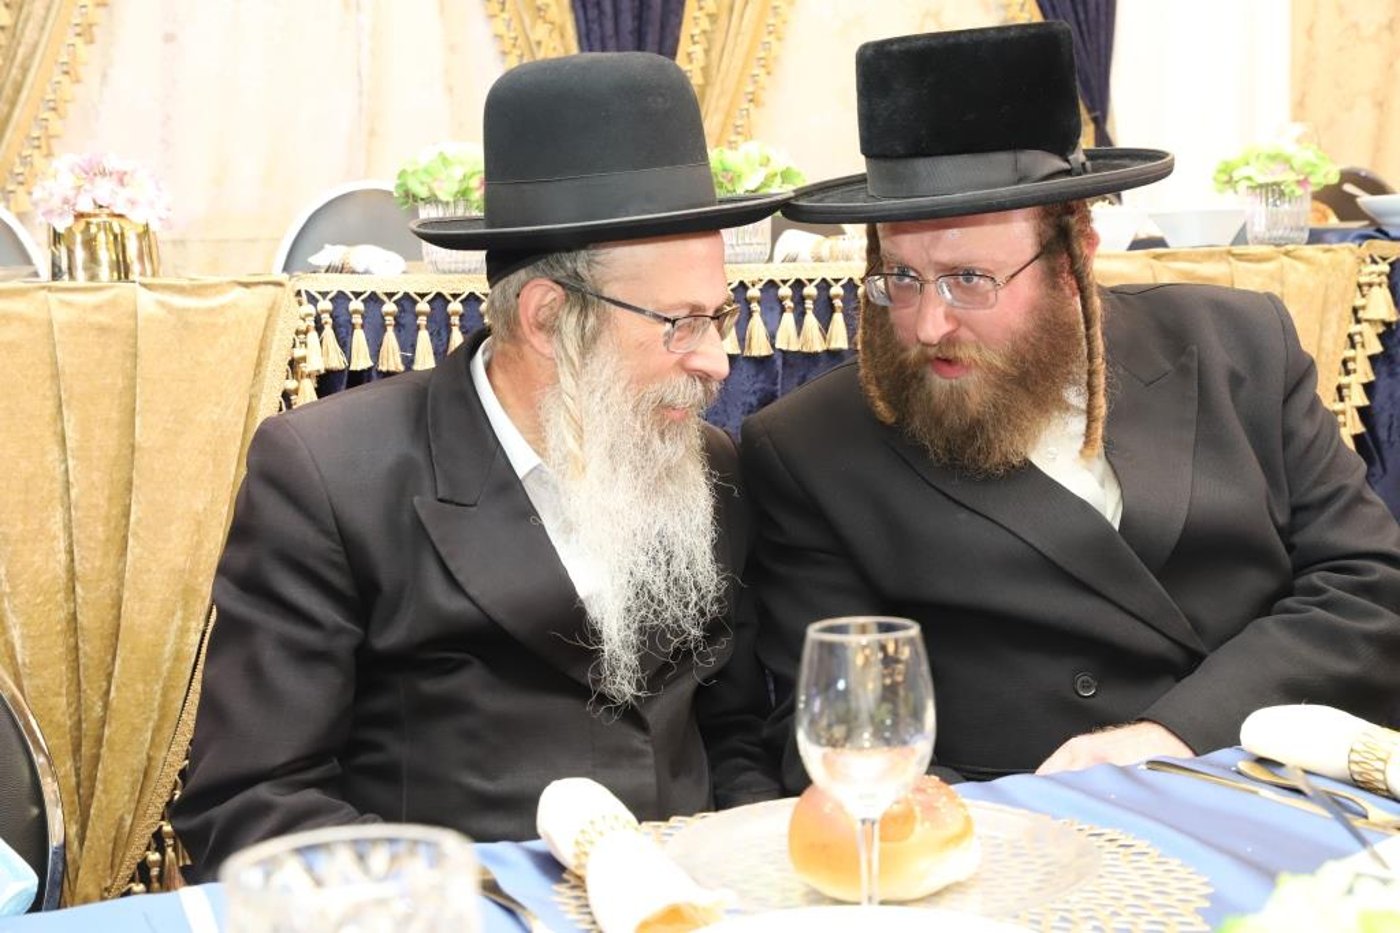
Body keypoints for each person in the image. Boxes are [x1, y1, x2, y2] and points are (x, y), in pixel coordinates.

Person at [172, 51, 789, 879]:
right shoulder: (333, 475)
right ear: (548, 318)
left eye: (719, 316)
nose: (717, 360)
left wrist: (757, 869)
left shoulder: (704, 465)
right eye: (681, 323)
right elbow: (251, 804)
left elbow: (733, 733)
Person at [741, 22, 1400, 790]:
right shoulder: (811, 448)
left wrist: (1177, 732)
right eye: (902, 278)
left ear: (1073, 255)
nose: (928, 324)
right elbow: (843, 730)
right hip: (1019, 830)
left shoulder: (1239, 346)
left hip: (1269, 788)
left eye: (969, 279)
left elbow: (1369, 583)